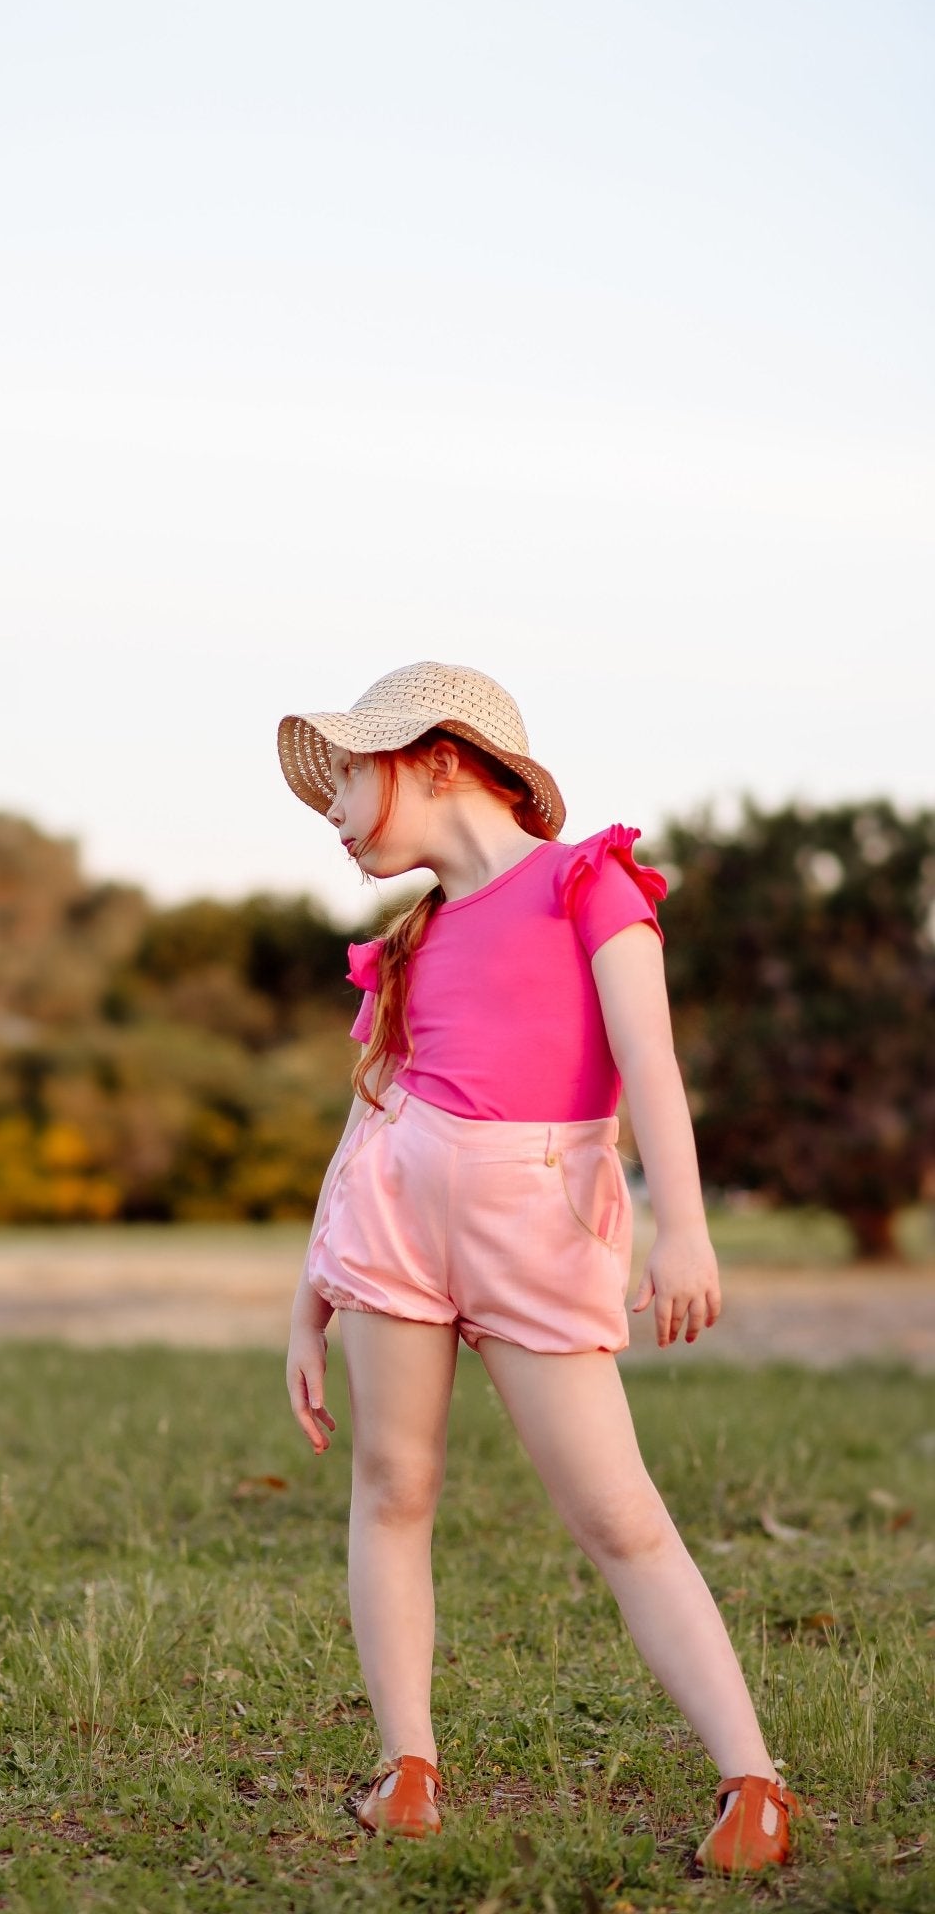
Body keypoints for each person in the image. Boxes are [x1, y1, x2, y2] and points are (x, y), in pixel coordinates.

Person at [278, 661, 801, 1876]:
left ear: (439, 757)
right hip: (394, 1222)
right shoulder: (409, 940)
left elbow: (649, 1060)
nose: (337, 813)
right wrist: (308, 1299)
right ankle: (406, 1766)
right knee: (392, 1486)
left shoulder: (587, 881)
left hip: (536, 1219)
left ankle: (753, 1777)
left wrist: (685, 1224)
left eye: (350, 779)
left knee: (619, 1512)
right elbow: (368, 1117)